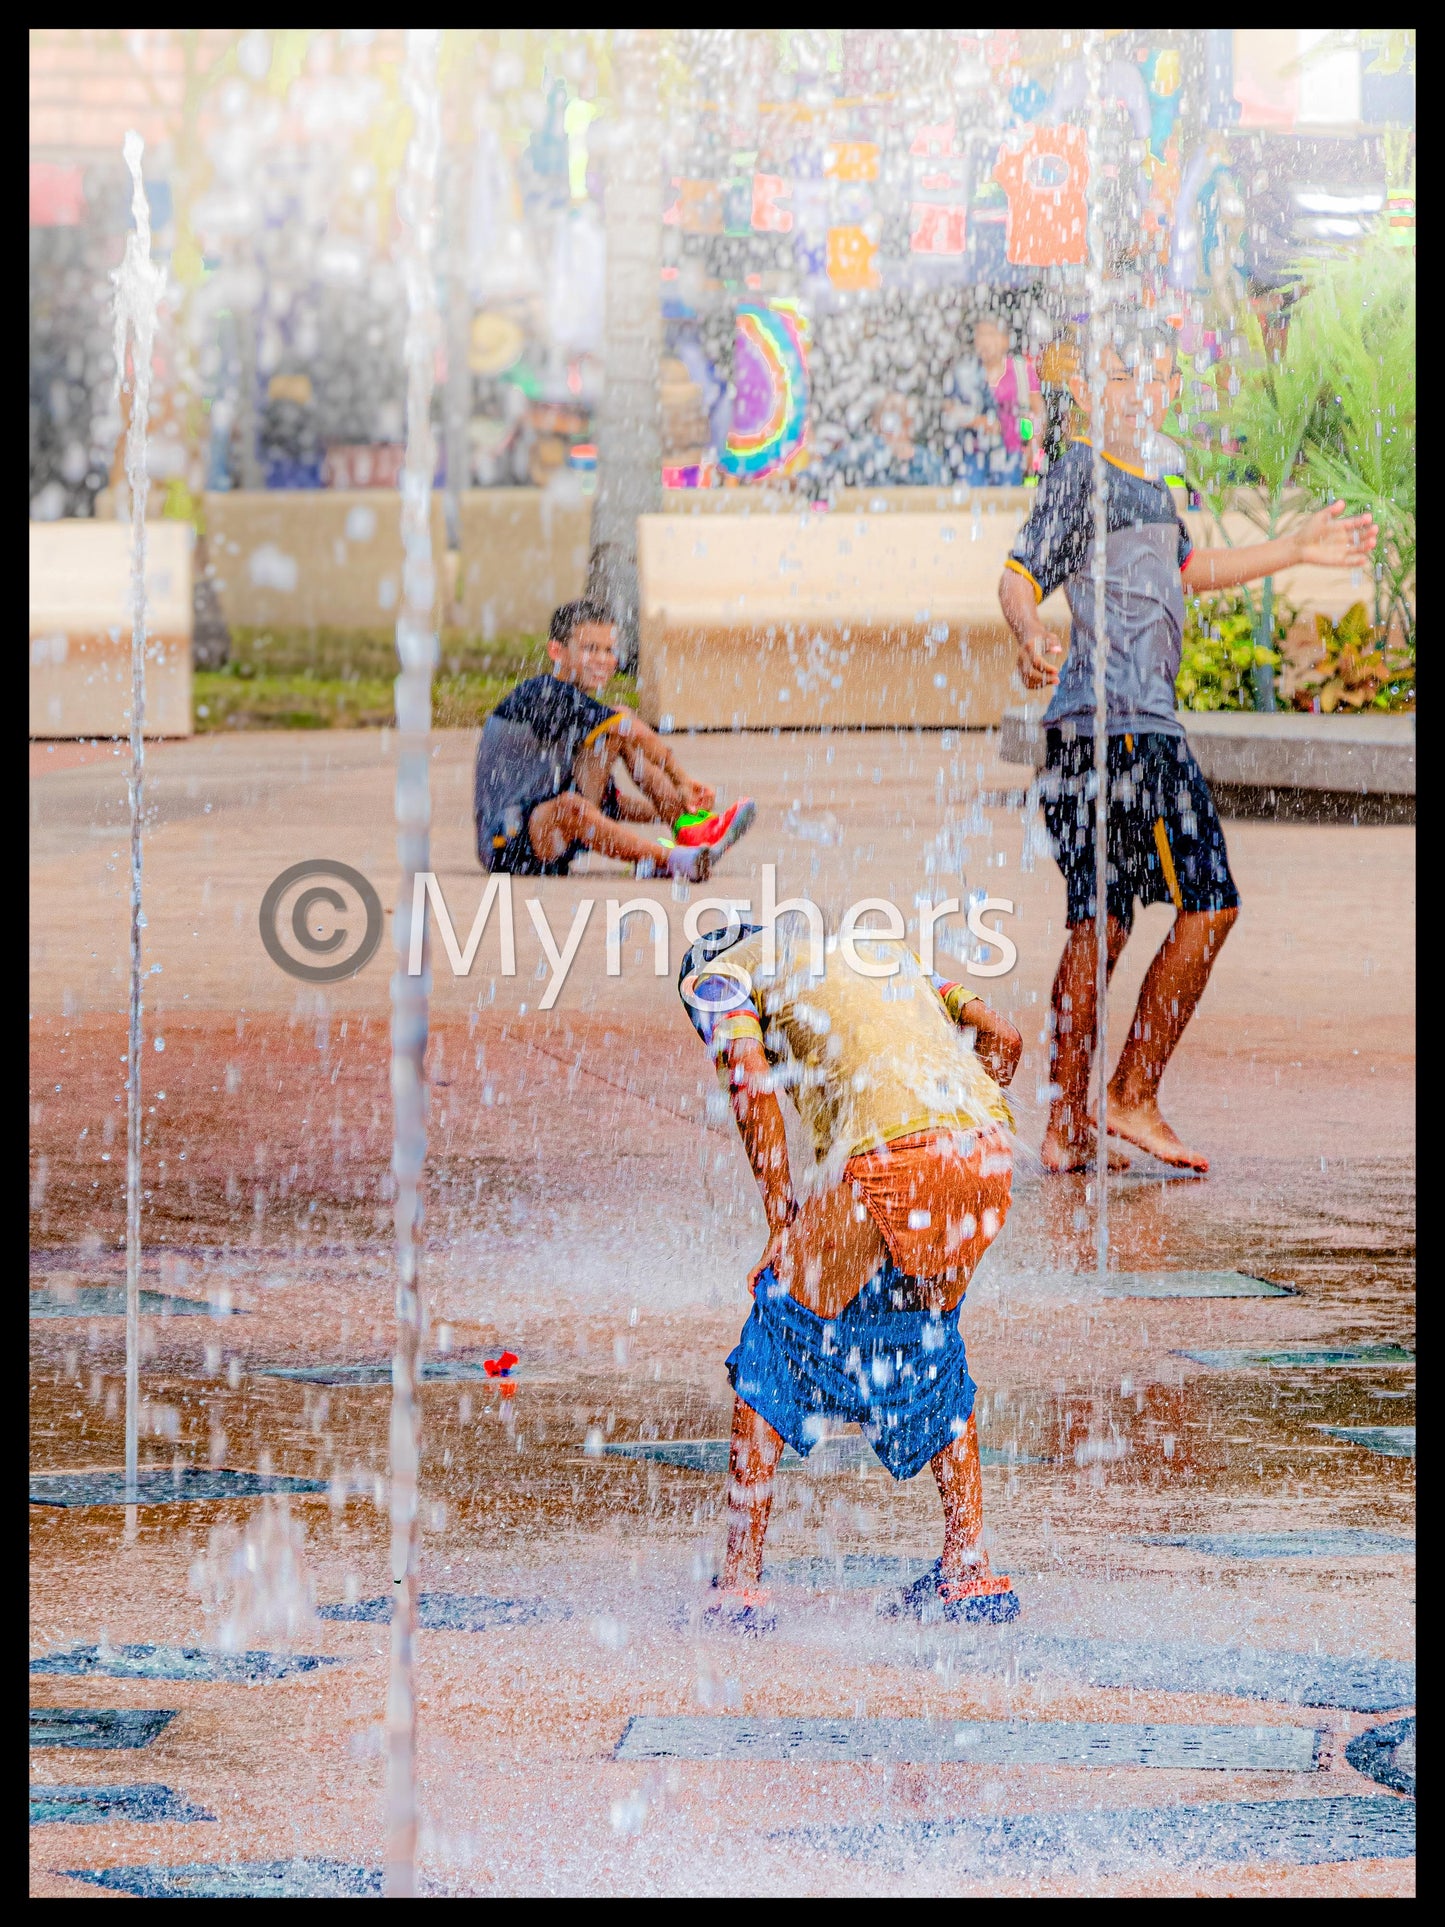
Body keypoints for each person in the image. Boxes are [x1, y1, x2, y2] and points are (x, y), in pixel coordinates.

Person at [998, 313, 1379, 1174]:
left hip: (1092, 736)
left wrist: (1291, 550)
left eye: (1154, 375)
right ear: (1090, 394)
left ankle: (1064, 1124)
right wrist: (1028, 633)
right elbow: (1017, 576)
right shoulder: (1081, 474)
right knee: (1209, 904)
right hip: (1126, 730)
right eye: (1125, 375)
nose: (1146, 388)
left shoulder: (1152, 495)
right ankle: (1130, 1094)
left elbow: (1184, 571)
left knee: (1100, 921)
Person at [678, 919, 1024, 1631]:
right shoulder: (882, 956)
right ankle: (968, 1567)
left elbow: (747, 1079)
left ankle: (737, 1582)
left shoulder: (720, 976)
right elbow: (1004, 1039)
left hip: (890, 1154)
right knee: (922, 1332)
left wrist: (781, 1218)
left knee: (776, 1327)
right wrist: (949, 1140)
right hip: (985, 1149)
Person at [474, 599, 754, 882]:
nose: (603, 659)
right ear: (556, 651)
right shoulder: (544, 693)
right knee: (618, 726)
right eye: (590, 649)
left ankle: (688, 825)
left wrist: (673, 808)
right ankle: (670, 860)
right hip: (508, 845)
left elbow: (612, 807)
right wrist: (680, 779)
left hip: (552, 833)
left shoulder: (584, 717)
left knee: (616, 727)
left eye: (608, 650)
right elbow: (632, 731)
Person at [944, 315, 1046, 486]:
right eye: (980, 335)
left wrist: (1034, 447)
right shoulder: (964, 373)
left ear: (1006, 340)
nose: (985, 341)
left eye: (991, 335)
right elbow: (949, 409)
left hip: (1012, 454)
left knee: (1008, 504)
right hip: (971, 455)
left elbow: (1038, 411)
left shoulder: (1021, 370)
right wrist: (978, 422)